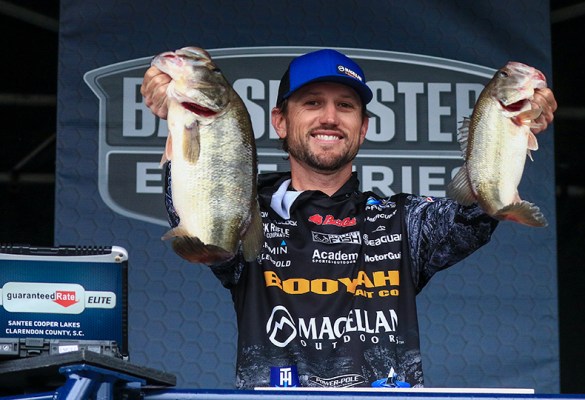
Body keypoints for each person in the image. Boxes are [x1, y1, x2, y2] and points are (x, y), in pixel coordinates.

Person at [141, 49, 557, 389]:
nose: (329, 117)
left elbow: (477, 212)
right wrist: (180, 118)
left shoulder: (401, 222)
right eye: (312, 103)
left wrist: (513, 123)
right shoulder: (248, 215)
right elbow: (199, 220)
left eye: (345, 106)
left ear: (363, 128)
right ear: (280, 121)